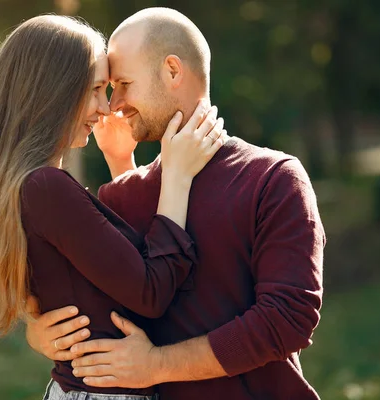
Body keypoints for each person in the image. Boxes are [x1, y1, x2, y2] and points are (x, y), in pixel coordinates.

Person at [25, 8, 326, 400]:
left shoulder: (273, 178)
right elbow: (102, 296)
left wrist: (158, 365)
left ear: (171, 71)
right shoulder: (119, 194)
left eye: (124, 84)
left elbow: (288, 320)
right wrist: (39, 329)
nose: (113, 105)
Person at [0, 14, 227, 400]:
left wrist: (119, 164)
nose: (106, 107)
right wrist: (176, 176)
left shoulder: (26, 185)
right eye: (96, 89)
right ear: (54, 92)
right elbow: (150, 292)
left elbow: (102, 272)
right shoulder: (46, 188)